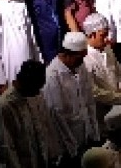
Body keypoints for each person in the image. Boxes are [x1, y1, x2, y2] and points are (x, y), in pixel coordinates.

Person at [42, 32, 100, 162]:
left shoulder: (80, 66)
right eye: (79, 58)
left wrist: (94, 134)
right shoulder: (52, 76)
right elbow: (57, 116)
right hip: (68, 143)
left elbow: (89, 101)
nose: (82, 61)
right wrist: (72, 149)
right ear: (67, 54)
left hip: (86, 135)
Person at [0, 60, 61, 168]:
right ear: (25, 82)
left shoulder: (36, 95)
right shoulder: (4, 106)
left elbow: (47, 126)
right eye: (36, 89)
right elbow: (6, 147)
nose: (38, 92)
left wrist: (53, 155)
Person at [82, 13, 121, 135]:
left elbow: (120, 72)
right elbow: (93, 91)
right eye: (103, 35)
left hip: (120, 105)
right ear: (91, 35)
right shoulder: (84, 59)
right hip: (101, 113)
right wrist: (118, 97)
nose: (107, 39)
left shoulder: (107, 49)